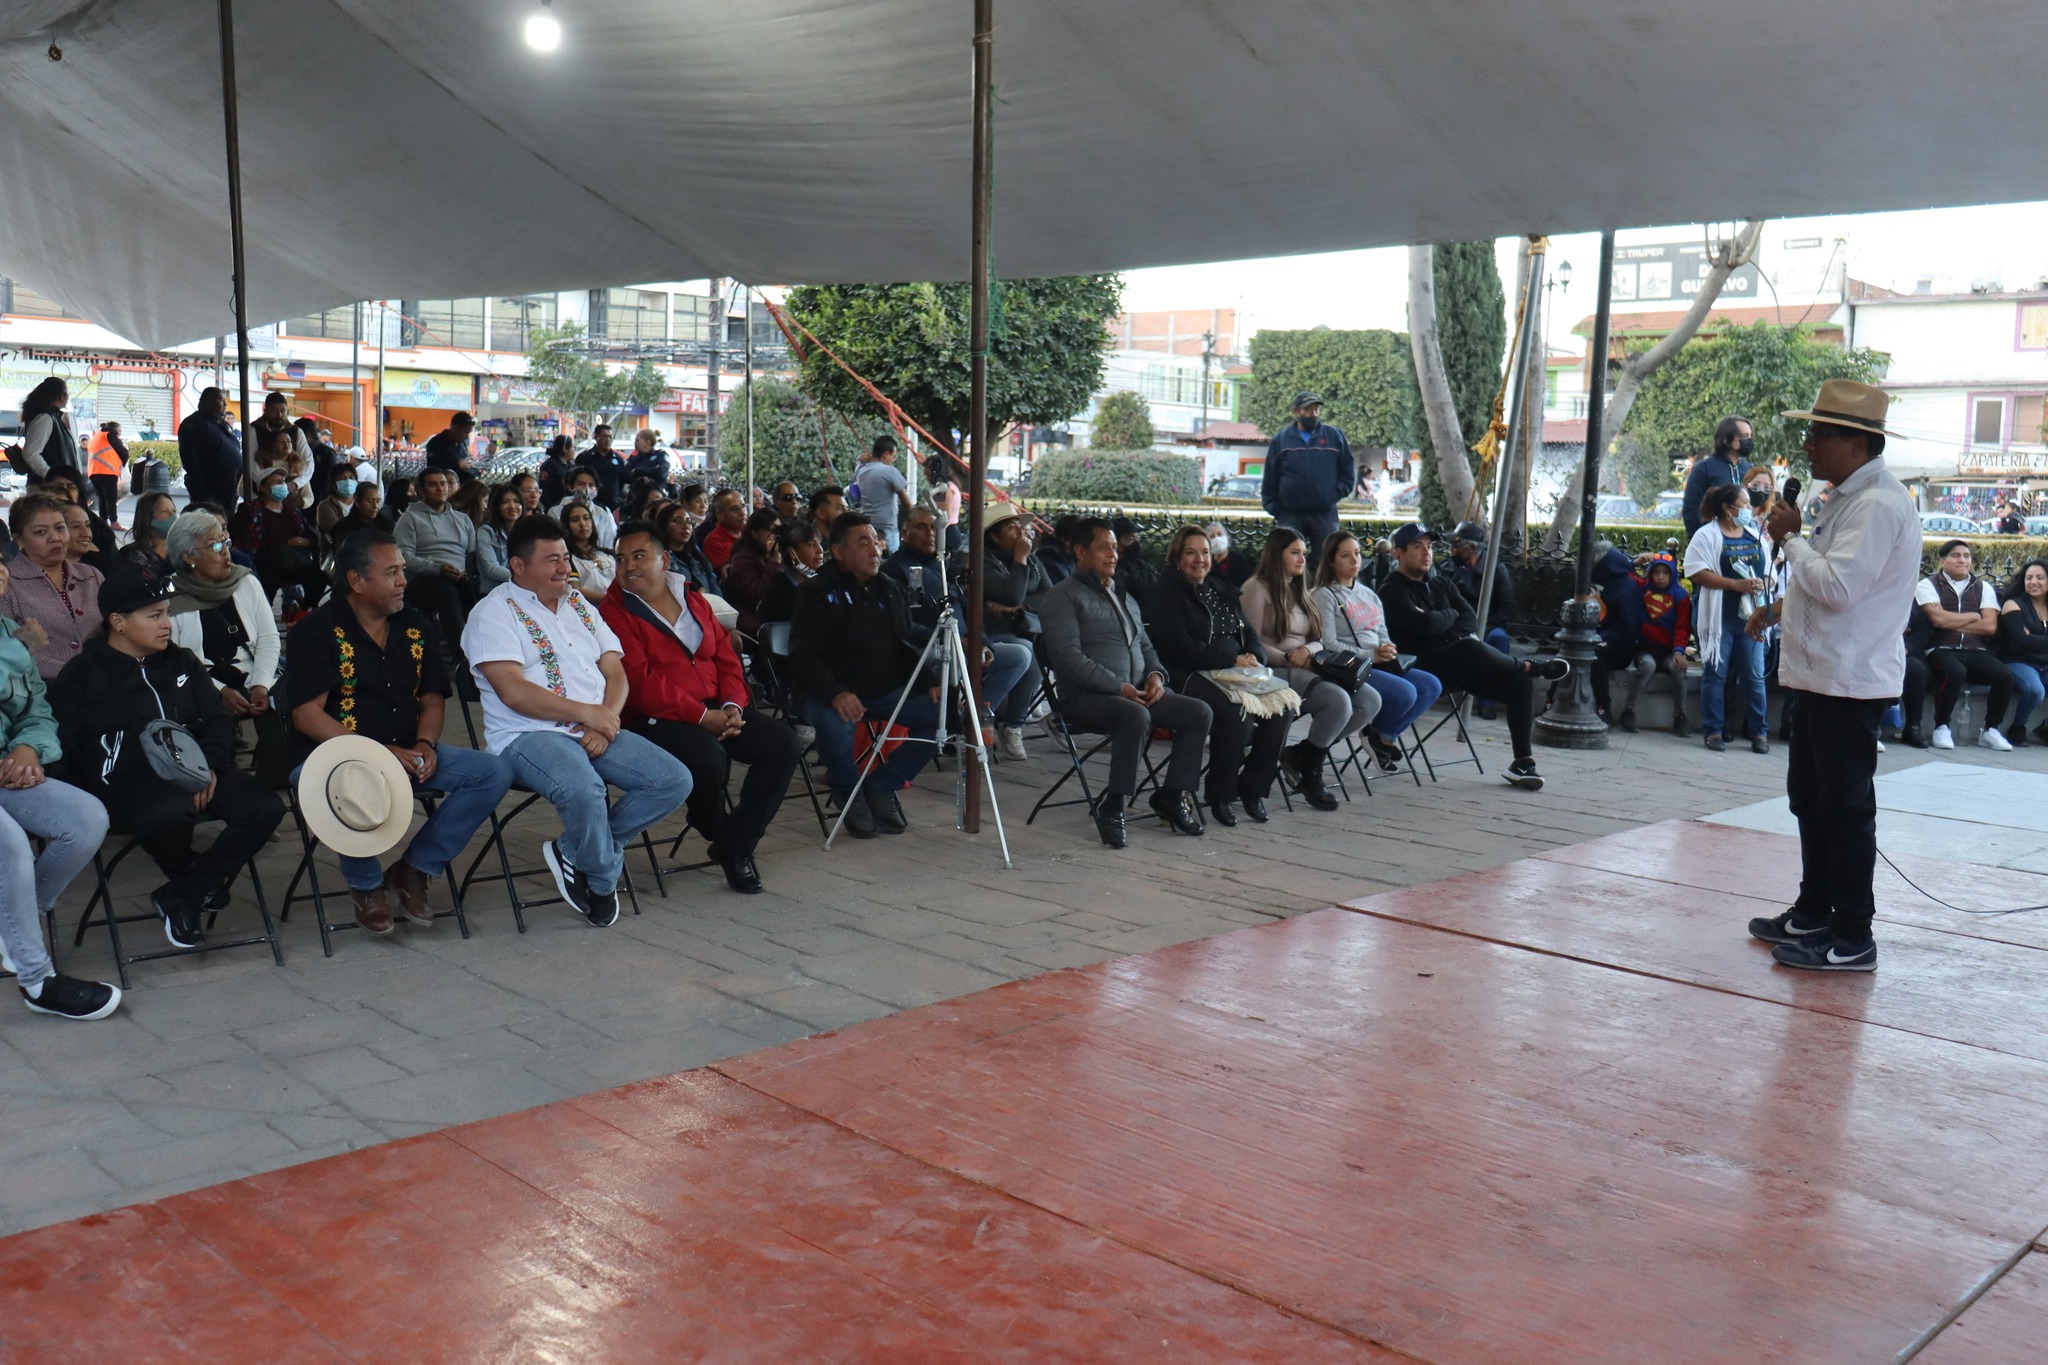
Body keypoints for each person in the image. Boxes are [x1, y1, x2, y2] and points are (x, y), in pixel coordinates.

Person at [1742, 380, 1923, 972]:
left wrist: (1790, 538)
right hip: (1820, 675)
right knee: (1811, 800)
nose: (1808, 443)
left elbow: (1840, 588)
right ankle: (1814, 909)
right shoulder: (1846, 496)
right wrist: (1778, 607)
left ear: (1856, 442)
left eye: (1818, 433)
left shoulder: (1876, 503)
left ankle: (1852, 934)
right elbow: (1829, 582)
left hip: (1850, 679)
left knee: (1843, 809)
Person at [460, 515, 693, 925]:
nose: (564, 569)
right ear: (518, 565)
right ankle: (602, 880)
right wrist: (589, 715)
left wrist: (605, 720)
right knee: (585, 789)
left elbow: (615, 671)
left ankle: (574, 850)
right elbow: (513, 691)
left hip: (595, 725)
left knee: (673, 779)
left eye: (565, 557)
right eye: (552, 560)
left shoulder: (579, 604)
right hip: (527, 735)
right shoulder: (492, 613)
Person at [287, 532, 513, 932]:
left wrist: (426, 744)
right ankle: (366, 886)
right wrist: (376, 753)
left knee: (493, 773)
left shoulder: (415, 624)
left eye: (403, 571)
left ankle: (414, 869)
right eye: (391, 573)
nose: (403, 581)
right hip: (334, 757)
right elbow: (307, 716)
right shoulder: (317, 629)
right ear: (356, 581)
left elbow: (432, 699)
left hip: (407, 750)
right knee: (343, 781)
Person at [50, 565, 285, 949]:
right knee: (169, 813)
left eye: (167, 614)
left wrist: (208, 765)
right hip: (126, 780)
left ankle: (187, 891)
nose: (167, 624)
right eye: (154, 615)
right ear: (118, 623)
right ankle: (190, 882)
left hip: (197, 769)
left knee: (264, 808)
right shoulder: (82, 674)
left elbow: (216, 718)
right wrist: (80, 798)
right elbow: (64, 744)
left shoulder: (182, 662)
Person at [603, 521, 801, 893]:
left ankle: (733, 845)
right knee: (708, 756)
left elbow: (725, 657)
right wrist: (700, 716)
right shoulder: (614, 611)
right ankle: (717, 829)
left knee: (784, 744)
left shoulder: (692, 597)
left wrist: (732, 707)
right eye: (620, 558)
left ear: (663, 560)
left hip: (714, 706)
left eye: (639, 556)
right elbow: (640, 682)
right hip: (653, 718)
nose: (628, 566)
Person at [1039, 518, 1212, 847]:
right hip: (1088, 698)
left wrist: (1156, 676)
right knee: (1135, 715)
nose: (1113, 554)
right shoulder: (1062, 597)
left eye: (1115, 547)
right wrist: (1120, 688)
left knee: (1198, 712)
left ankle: (1172, 796)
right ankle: (1113, 806)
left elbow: (1147, 648)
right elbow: (1067, 659)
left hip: (1137, 691)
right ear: (1080, 552)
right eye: (1103, 547)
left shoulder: (1124, 596)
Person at [0, 552, 120, 1020]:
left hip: (10, 769)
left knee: (87, 818)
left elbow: (36, 713)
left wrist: (29, 750)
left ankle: (12, 925)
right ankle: (36, 979)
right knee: (10, 843)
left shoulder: (11, 640)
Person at [787, 513, 944, 837]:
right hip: (826, 692)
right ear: (839, 552)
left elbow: (905, 643)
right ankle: (848, 791)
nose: (875, 550)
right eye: (864, 543)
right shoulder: (817, 593)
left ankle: (881, 785)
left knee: (942, 716)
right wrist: (835, 692)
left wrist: (929, 679)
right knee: (835, 722)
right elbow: (803, 657)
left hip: (883, 691)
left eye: (876, 541)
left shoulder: (889, 588)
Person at [1377, 522, 1565, 790]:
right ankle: (1529, 665)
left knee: (1519, 684)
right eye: (1417, 547)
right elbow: (1423, 626)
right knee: (1471, 648)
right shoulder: (1392, 590)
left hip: (1454, 667)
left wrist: (1442, 619)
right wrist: (1445, 618)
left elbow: (1469, 620)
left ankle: (1523, 763)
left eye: (1429, 547)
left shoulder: (1441, 582)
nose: (1426, 553)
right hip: (1419, 670)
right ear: (1398, 552)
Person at [1146, 523, 1290, 827]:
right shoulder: (1168, 591)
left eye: (1205, 553)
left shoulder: (1219, 587)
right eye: (1190, 553)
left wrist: (1255, 655)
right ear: (1176, 557)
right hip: (1190, 672)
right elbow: (1177, 646)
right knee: (1238, 711)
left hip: (1235, 669)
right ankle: (1221, 795)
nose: (1199, 560)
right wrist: (1232, 658)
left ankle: (1253, 789)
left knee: (1283, 707)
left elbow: (1248, 631)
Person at [1238, 527, 1379, 811]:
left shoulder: (1299, 590)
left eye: (1303, 553)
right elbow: (1249, 643)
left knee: (1369, 701)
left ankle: (1303, 753)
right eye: (1294, 553)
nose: (1302, 559)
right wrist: (1288, 656)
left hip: (1307, 665)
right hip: (1273, 670)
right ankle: (1313, 770)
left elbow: (1319, 639)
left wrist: (1308, 651)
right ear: (1276, 555)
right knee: (1338, 702)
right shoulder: (1256, 587)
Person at [165, 509, 287, 785]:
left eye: (226, 542)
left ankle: (273, 785)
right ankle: (218, 783)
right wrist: (219, 692)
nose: (226, 552)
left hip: (251, 672)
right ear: (188, 557)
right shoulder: (170, 599)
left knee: (284, 706)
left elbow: (268, 640)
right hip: (199, 682)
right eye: (215, 546)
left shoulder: (246, 582)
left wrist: (261, 684)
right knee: (210, 715)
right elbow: (175, 662)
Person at [1311, 531, 1444, 771]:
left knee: (1430, 685)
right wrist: (1371, 655)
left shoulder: (1369, 594)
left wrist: (1387, 647)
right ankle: (1318, 749)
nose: (1355, 561)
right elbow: (1328, 644)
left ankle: (1381, 735)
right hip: (1349, 666)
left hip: (1379, 662)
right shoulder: (1324, 595)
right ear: (1331, 561)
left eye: (1358, 554)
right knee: (1405, 692)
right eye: (1345, 555)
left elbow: (1381, 630)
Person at [1684, 483, 1771, 754]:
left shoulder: (1754, 535)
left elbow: (1769, 570)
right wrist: (1736, 586)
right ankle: (1713, 730)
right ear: (1727, 508)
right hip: (1718, 618)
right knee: (1715, 673)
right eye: (1744, 504)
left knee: (1754, 675)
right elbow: (1696, 572)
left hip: (1750, 617)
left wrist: (1762, 583)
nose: (1749, 509)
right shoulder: (1706, 536)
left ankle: (1759, 732)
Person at [1915, 538, 2014, 751]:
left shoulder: (1983, 587)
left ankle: (1990, 730)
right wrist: (1972, 616)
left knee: (2004, 675)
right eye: (1956, 556)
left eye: (1966, 556)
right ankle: (1941, 726)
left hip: (1976, 649)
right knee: (1955, 671)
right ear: (1942, 561)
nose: (1962, 560)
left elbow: (1989, 626)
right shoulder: (1927, 585)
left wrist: (1953, 622)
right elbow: (1937, 621)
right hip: (1941, 649)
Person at [0, 493, 101, 681]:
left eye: (60, 528)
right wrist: (77, 673)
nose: (55, 538)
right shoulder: (7, 584)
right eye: (40, 532)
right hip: (43, 689)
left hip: (102, 681)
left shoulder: (91, 575)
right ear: (19, 540)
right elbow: (8, 650)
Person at [979, 507, 1051, 761]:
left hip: (1025, 629)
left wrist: (1021, 607)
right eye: (1012, 527)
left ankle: (1015, 723)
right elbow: (1011, 593)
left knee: (1043, 650)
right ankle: (1004, 722)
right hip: (992, 634)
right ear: (995, 537)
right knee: (1028, 652)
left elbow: (1048, 595)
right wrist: (1020, 559)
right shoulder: (984, 561)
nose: (1021, 533)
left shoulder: (1031, 558)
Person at [1594, 554, 1692, 736]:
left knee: (1679, 671)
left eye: (1665, 573)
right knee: (1647, 666)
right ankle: (1629, 711)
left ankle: (1680, 716)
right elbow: (1622, 573)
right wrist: (1634, 562)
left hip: (1670, 651)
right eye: (1656, 572)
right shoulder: (1642, 588)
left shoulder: (1681, 597)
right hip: (1645, 649)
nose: (1660, 577)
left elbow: (1682, 627)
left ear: (1672, 574)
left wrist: (1679, 650)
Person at [395, 466, 478, 650]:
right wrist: (437, 569)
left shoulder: (463, 519)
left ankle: (484, 650)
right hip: (422, 580)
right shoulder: (409, 519)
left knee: (478, 593)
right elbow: (404, 557)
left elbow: (472, 554)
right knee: (446, 592)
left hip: (460, 577)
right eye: (433, 485)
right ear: (421, 491)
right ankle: (461, 656)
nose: (440, 489)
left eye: (443, 484)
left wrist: (466, 572)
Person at [229, 454, 327, 608]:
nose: (281, 484)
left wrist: (303, 541)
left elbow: (313, 538)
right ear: (263, 487)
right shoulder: (250, 510)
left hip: (293, 560)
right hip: (264, 563)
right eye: (275, 482)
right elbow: (232, 532)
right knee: (266, 583)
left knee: (318, 577)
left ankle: (303, 610)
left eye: (282, 481)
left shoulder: (292, 512)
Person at [1260, 392, 1354, 552]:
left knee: (1327, 563)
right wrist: (1276, 510)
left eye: (1317, 409)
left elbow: (1347, 473)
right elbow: (1270, 478)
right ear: (1296, 411)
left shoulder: (1334, 436)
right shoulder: (1281, 440)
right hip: (1290, 516)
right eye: (1308, 410)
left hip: (1324, 515)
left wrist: (1333, 495)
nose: (1314, 414)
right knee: (1288, 564)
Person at [1444, 521, 1516, 655]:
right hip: (1457, 626)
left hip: (1488, 625)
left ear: (1471, 548)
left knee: (1498, 638)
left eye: (1456, 545)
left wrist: (1482, 626)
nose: (1451, 549)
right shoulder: (1448, 568)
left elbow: (1507, 608)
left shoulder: (1496, 570)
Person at [1998, 559, 2048, 746]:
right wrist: (2029, 640)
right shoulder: (2013, 604)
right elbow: (2020, 641)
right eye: (2029, 578)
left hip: (2044, 663)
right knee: (2035, 690)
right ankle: (2017, 727)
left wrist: (2032, 638)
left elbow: (2029, 640)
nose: (2033, 582)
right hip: (2018, 661)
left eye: (2040, 578)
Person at [1680, 415, 1753, 540]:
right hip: (1713, 542)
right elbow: (1691, 510)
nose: (1749, 441)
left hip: (1746, 542)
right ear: (1726, 440)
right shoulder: (1704, 468)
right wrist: (1701, 540)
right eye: (1744, 436)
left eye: (1750, 436)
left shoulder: (1750, 470)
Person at [721, 507, 785, 638]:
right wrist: (774, 564)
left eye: (780, 530)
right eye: (773, 530)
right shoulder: (742, 559)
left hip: (776, 617)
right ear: (755, 533)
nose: (777, 536)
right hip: (753, 621)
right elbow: (758, 596)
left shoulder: (779, 554)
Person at [177, 386, 243, 511]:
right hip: (209, 492)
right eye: (220, 400)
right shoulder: (195, 422)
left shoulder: (220, 423)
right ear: (206, 401)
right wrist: (201, 487)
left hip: (229, 490)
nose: (225, 404)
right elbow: (189, 457)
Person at [246, 393, 313, 499]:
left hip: (291, 490)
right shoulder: (254, 430)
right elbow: (250, 461)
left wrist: (295, 484)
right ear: (266, 411)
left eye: (283, 410)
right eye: (274, 410)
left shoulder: (296, 432)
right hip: (261, 489)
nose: (279, 415)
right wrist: (264, 483)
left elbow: (308, 461)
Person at [852, 435, 911, 551]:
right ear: (886, 454)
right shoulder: (889, 471)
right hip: (888, 529)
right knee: (891, 567)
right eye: (893, 457)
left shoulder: (861, 471)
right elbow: (907, 502)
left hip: (868, 527)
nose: (892, 461)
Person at [758, 520, 821, 627]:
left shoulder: (822, 582)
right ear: (792, 552)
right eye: (811, 544)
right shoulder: (780, 588)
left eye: (819, 543)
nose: (820, 550)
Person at [18, 378, 79, 481]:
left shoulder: (53, 417)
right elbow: (31, 454)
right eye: (67, 392)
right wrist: (52, 477)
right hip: (49, 488)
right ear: (62, 395)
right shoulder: (45, 419)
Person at [562, 502, 615, 604]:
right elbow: (575, 590)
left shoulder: (608, 554)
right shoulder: (567, 558)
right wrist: (611, 600)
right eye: (575, 520)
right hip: (592, 608)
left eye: (586, 518)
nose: (582, 524)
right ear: (566, 526)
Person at [476, 483, 524, 592]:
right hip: (494, 591)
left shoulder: (526, 531)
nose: (512, 506)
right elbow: (491, 568)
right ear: (496, 507)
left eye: (516, 501)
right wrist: (524, 578)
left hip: (522, 589)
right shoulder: (486, 531)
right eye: (505, 502)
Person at [554, 466, 619, 547]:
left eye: (591, 485)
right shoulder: (556, 511)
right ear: (570, 487)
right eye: (581, 484)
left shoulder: (603, 512)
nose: (587, 489)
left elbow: (609, 542)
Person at [120, 491, 178, 574]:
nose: (173, 515)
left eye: (174, 511)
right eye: (164, 511)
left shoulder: (179, 551)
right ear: (147, 518)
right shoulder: (131, 554)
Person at [85, 421, 128, 527]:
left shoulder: (97, 436)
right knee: (110, 498)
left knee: (102, 498)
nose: (119, 434)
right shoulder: (110, 435)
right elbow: (122, 451)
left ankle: (103, 521)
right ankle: (114, 522)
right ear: (115, 429)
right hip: (107, 471)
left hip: (94, 471)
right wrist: (124, 461)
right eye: (119, 431)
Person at [329, 479, 392, 550]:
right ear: (357, 501)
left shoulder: (387, 524)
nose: (375, 506)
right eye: (370, 501)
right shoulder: (343, 527)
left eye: (378, 501)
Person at [1110, 516, 1160, 603]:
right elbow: (1136, 584)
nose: (1136, 542)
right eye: (1130, 539)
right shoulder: (1113, 566)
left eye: (1137, 538)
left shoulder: (1140, 563)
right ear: (1116, 543)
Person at [577, 424, 627, 507]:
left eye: (610, 437)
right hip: (588, 504)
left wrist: (616, 497)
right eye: (604, 436)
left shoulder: (618, 459)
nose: (608, 440)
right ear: (596, 437)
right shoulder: (584, 457)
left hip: (612, 505)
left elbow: (622, 480)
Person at [423, 411, 479, 484]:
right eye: (465, 432)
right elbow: (433, 468)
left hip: (464, 486)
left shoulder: (461, 444)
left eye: (469, 433)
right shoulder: (437, 443)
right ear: (454, 428)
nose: (467, 436)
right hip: (446, 487)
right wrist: (456, 465)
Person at [700, 488, 748, 571]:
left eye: (743, 506)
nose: (742, 513)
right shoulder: (714, 541)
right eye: (735, 509)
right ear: (719, 515)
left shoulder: (751, 532)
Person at [63, 503, 114, 577]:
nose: (86, 533)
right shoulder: (44, 570)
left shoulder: (103, 564)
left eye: (87, 525)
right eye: (76, 526)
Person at [1203, 521, 1254, 588]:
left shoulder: (1238, 559)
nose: (1217, 538)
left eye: (1220, 534)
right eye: (1212, 536)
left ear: (1226, 537)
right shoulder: (1206, 560)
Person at [624, 429, 671, 496]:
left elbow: (661, 472)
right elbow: (626, 476)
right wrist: (651, 471)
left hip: (656, 497)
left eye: (638, 440)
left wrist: (638, 471)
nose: (635, 443)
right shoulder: (634, 458)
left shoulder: (660, 455)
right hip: (636, 498)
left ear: (648, 442)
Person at [536, 434, 578, 507]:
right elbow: (543, 489)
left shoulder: (571, 465)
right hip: (555, 505)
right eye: (572, 447)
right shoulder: (549, 465)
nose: (574, 450)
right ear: (565, 449)